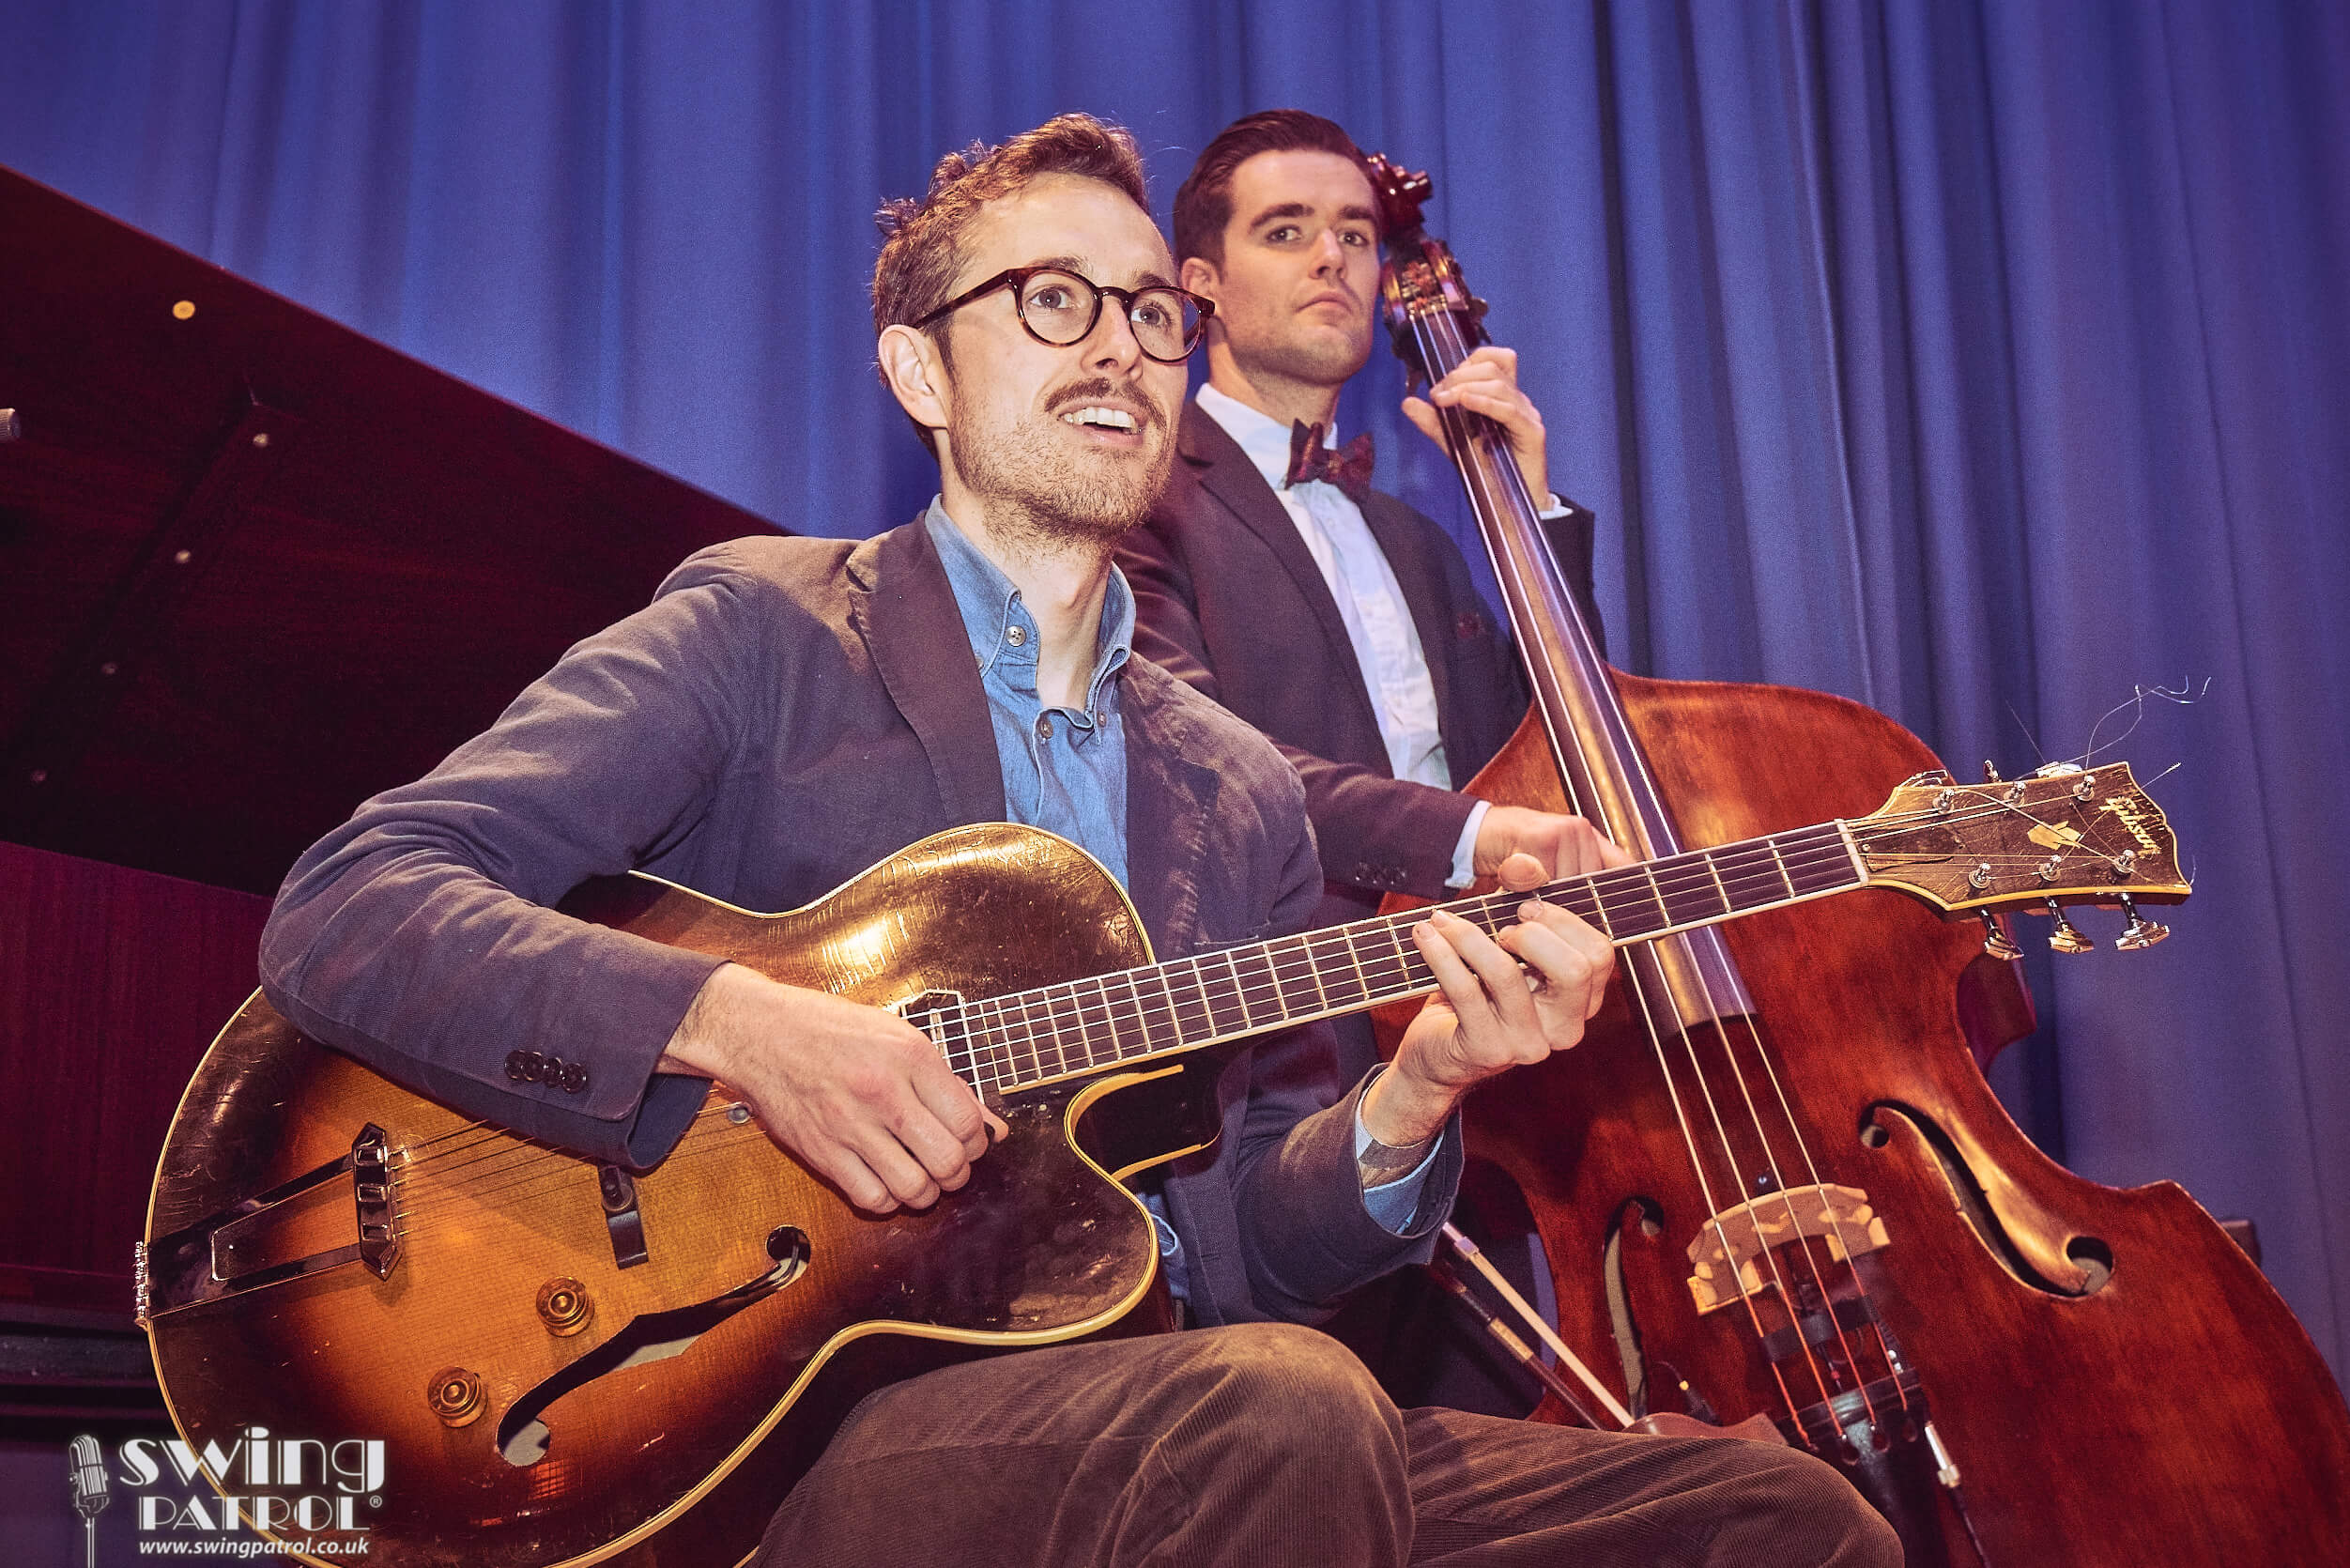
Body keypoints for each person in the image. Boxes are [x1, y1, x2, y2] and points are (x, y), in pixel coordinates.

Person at [258, 112, 1897, 1568]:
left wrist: (1417, 1093)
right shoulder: (762, 633)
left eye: (1151, 313)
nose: (1120, 347)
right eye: (1054, 301)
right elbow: (351, 902)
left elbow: (1243, 1255)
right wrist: (738, 1025)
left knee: (1782, 1518)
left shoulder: (1233, 787)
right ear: (921, 374)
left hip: (1184, 1401)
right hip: (799, 1432)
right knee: (1280, 1411)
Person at [1117, 108, 1615, 1415]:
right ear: (1200, 284)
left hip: (1485, 1055)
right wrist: (1472, 839)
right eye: (1287, 231)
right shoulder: (1137, 503)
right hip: (1281, 1070)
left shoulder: (1417, 538)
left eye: (1353, 232)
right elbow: (1201, 758)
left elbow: (1562, 761)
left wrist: (1528, 510)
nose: (1335, 257)